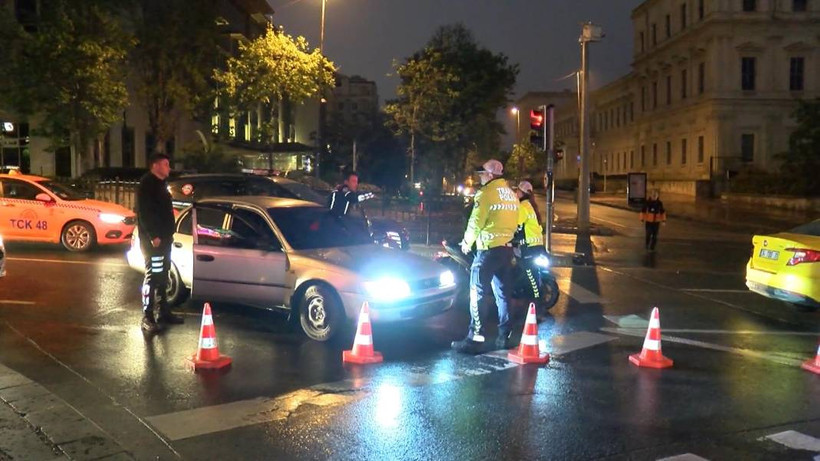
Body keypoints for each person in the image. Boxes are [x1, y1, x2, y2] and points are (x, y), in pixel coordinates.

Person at [451, 159, 519, 354]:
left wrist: (466, 243)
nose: (480, 177)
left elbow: (476, 221)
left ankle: (475, 338)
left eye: (482, 174)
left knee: (478, 293)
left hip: (488, 251)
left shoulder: (487, 193)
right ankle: (504, 336)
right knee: (503, 296)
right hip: (507, 251)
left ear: (490, 175)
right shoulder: (511, 195)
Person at [136, 153, 184, 333]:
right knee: (153, 277)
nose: (168, 167)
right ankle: (147, 317)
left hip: (165, 239)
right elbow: (145, 212)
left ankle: (163, 311)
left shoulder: (161, 184)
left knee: (163, 275)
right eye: (165, 164)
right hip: (154, 242)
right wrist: (153, 235)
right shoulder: (147, 184)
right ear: (155, 166)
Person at [514, 181, 545, 299]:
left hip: (530, 248)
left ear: (522, 193)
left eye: (517, 191)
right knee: (531, 274)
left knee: (530, 276)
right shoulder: (532, 206)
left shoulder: (523, 207)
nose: (516, 193)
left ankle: (536, 302)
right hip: (537, 246)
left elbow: (516, 225)